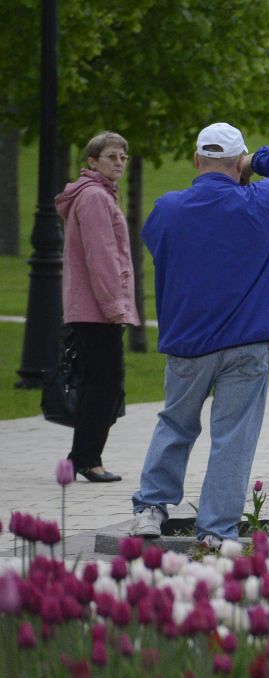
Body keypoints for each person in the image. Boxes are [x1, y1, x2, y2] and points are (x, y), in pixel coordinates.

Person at [131, 123, 269, 553]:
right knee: (233, 437)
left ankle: (150, 509)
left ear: (196, 161)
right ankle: (215, 530)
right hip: (248, 343)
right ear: (239, 162)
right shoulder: (265, 203)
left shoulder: (168, 209)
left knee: (175, 424)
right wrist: (258, 161)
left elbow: (161, 248)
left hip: (188, 343)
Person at [55, 132, 138, 483]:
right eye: (111, 156)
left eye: (123, 156)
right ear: (92, 162)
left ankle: (82, 457)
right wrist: (115, 307)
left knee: (99, 382)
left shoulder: (99, 196)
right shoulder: (93, 198)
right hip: (97, 310)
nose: (119, 162)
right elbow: (101, 257)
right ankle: (88, 460)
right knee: (104, 383)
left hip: (94, 308)